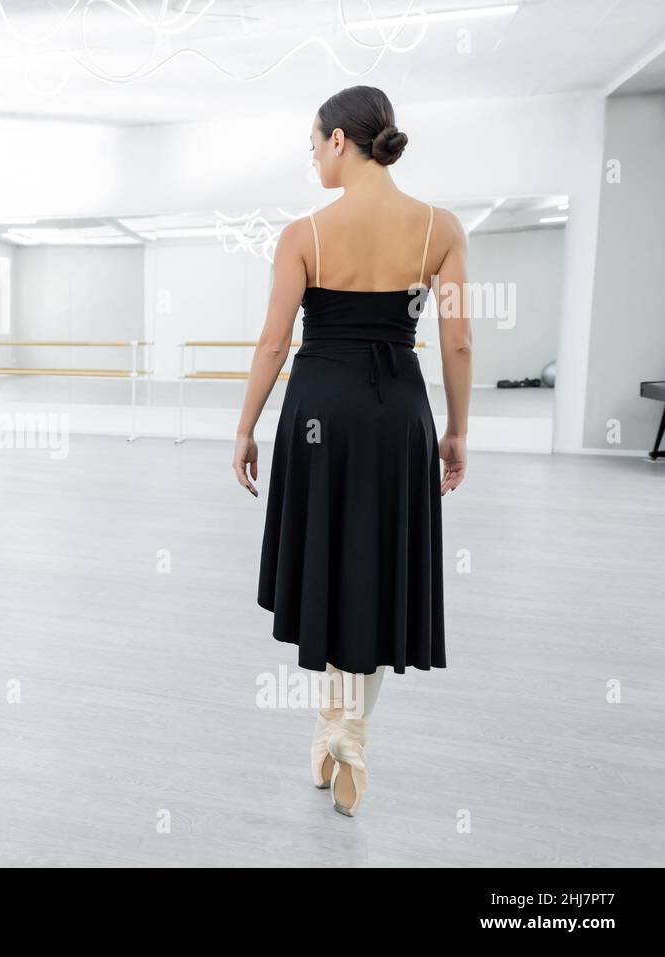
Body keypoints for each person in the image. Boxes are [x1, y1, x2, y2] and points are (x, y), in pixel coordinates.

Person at [232, 86, 472, 817]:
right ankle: (349, 733)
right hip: (397, 411)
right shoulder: (441, 228)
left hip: (318, 412)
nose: (312, 157)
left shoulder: (304, 233)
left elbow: (275, 341)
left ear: (341, 140)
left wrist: (244, 426)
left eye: (313, 143)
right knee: (371, 569)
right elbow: (458, 338)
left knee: (328, 567)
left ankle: (333, 728)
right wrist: (457, 429)